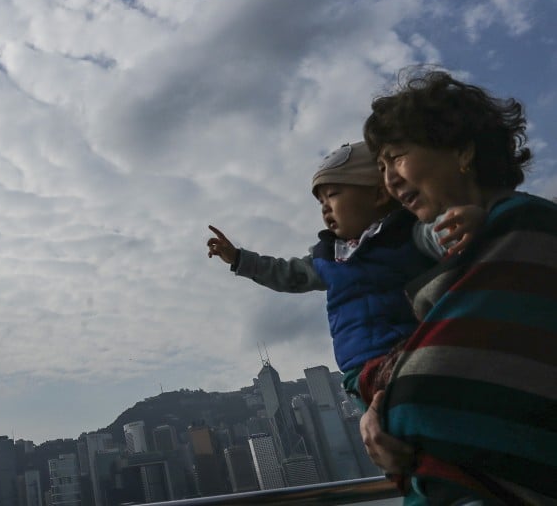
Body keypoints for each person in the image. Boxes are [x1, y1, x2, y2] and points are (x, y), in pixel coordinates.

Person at [359, 69, 557, 504]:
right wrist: (377, 411)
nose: (388, 179)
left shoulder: (531, 231)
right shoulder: (457, 260)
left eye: (397, 156)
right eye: (381, 166)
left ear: (462, 151)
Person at [206, 141, 481, 407]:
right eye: (321, 201)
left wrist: (463, 221)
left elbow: (441, 234)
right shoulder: (328, 257)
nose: (325, 206)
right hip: (357, 371)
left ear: (378, 194)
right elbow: (286, 274)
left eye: (334, 194)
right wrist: (240, 259)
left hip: (411, 352)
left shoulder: (405, 235)